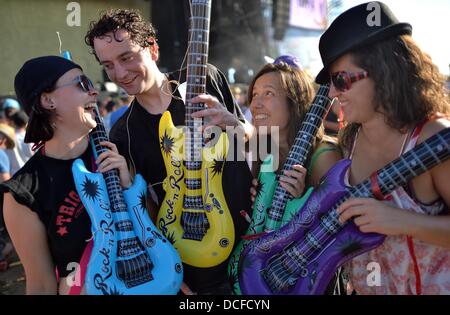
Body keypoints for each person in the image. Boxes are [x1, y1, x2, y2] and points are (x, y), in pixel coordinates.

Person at [85, 9, 253, 294]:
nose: (120, 74)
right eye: (109, 65)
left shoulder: (204, 79)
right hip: (192, 263)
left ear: (152, 48)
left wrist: (235, 124)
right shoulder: (122, 132)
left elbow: (255, 145)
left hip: (250, 244)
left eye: (126, 57)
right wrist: (170, 271)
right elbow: (149, 209)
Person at [315, 2, 450, 294]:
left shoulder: (430, 138)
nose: (334, 94)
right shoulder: (351, 139)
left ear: (383, 70)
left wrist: (403, 221)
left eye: (341, 80)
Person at [1, 56, 132, 294]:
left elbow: (153, 232)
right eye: (82, 84)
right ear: (48, 100)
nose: (94, 92)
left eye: (91, 83)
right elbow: (41, 285)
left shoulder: (117, 154)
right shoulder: (23, 191)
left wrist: (129, 187)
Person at [246, 56, 344, 294]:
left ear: (295, 102)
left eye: (268, 94)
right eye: (254, 94)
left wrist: (305, 200)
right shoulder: (262, 151)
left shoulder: (324, 155)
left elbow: (336, 231)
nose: (255, 103)